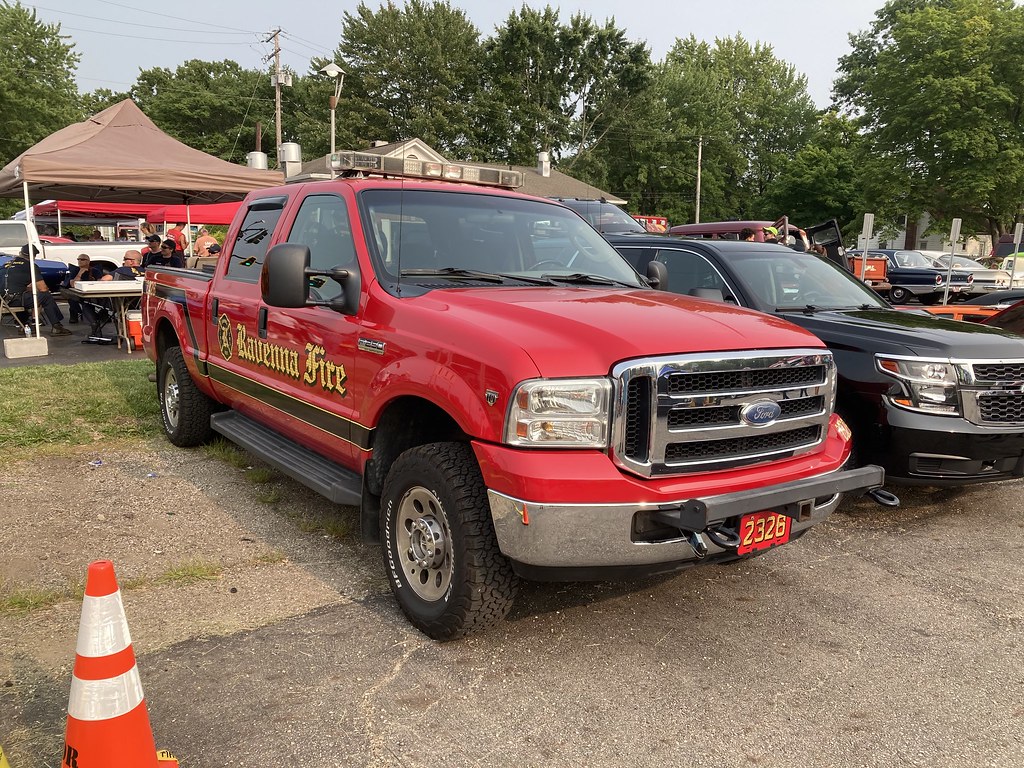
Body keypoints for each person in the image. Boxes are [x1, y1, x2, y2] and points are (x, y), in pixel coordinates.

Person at [3, 244, 71, 335]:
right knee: (46, 296)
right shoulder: (30, 266)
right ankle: (57, 326)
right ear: (33, 256)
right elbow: (43, 288)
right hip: (16, 300)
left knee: (23, 296)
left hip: (3, 301)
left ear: (20, 253)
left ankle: (25, 325)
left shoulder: (5, 265)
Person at [62, 254, 103, 323]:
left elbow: (100, 283)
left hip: (90, 293)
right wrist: (80, 273)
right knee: (71, 298)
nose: (79, 261)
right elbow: (72, 284)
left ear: (88, 261)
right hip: (77, 293)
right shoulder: (75, 270)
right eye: (78, 259)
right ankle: (75, 314)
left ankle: (98, 315)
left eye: (82, 259)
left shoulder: (95, 271)